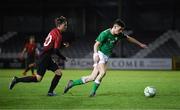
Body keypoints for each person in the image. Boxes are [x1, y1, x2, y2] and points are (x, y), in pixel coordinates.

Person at [64, 18, 148, 97]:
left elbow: (129, 38)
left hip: (105, 56)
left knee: (92, 77)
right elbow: (96, 45)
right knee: (103, 72)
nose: (121, 31)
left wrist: (140, 44)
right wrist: (95, 54)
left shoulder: (119, 34)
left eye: (122, 30)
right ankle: (93, 92)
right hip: (100, 55)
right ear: (115, 27)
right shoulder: (105, 33)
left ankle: (72, 83)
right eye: (120, 29)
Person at [9, 16, 68, 96]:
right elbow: (55, 50)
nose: (66, 27)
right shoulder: (58, 35)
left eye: (66, 25)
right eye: (65, 25)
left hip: (46, 56)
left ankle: (50, 92)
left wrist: (62, 44)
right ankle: (17, 80)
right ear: (59, 25)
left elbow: (52, 45)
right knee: (38, 78)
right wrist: (63, 57)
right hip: (45, 57)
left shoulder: (53, 31)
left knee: (59, 73)